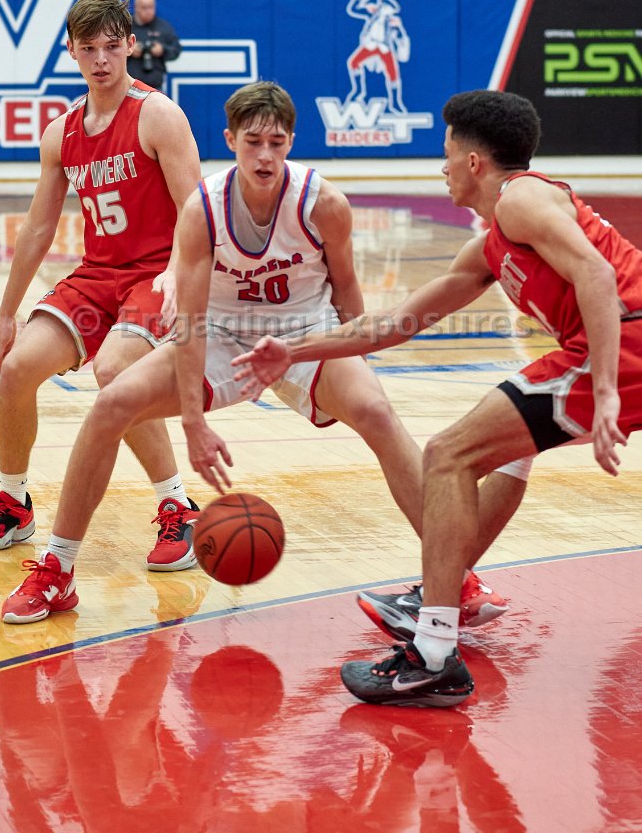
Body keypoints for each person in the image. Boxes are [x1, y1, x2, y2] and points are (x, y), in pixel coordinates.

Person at [0, 81, 524, 623]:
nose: (265, 156)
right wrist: (195, 423)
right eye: (253, 142)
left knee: (376, 412)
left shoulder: (324, 204)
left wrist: (356, 367)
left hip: (304, 332)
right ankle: (58, 571)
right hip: (224, 334)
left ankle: (456, 578)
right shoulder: (203, 209)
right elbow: (192, 323)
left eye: (276, 143)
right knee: (110, 406)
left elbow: (346, 290)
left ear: (291, 141)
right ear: (231, 141)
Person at [234, 87, 642, 707]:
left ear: (474, 162)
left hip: (623, 344)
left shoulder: (521, 197)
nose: (441, 166)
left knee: (448, 454)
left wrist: (606, 390)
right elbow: (394, 324)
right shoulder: (490, 244)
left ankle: (432, 652)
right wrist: (293, 350)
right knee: (503, 448)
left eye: (447, 153)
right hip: (615, 347)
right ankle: (441, 592)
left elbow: (597, 273)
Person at [0, 0, 203, 574]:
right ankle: (14, 503)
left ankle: (178, 505)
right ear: (71, 50)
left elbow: (197, 210)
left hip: (153, 274)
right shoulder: (61, 132)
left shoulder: (158, 115)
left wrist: (177, 273)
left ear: (130, 46)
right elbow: (37, 227)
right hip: (98, 275)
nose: (101, 59)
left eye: (111, 47)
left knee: (115, 372)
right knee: (16, 368)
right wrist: (7, 313)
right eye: (89, 48)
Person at [127, 0, 181, 92]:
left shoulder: (163, 27)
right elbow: (113, 49)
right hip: (130, 86)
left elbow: (176, 49)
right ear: (136, 7)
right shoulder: (126, 26)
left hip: (155, 86)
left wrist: (162, 50)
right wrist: (129, 50)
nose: (148, 11)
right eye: (144, 8)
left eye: (151, 7)